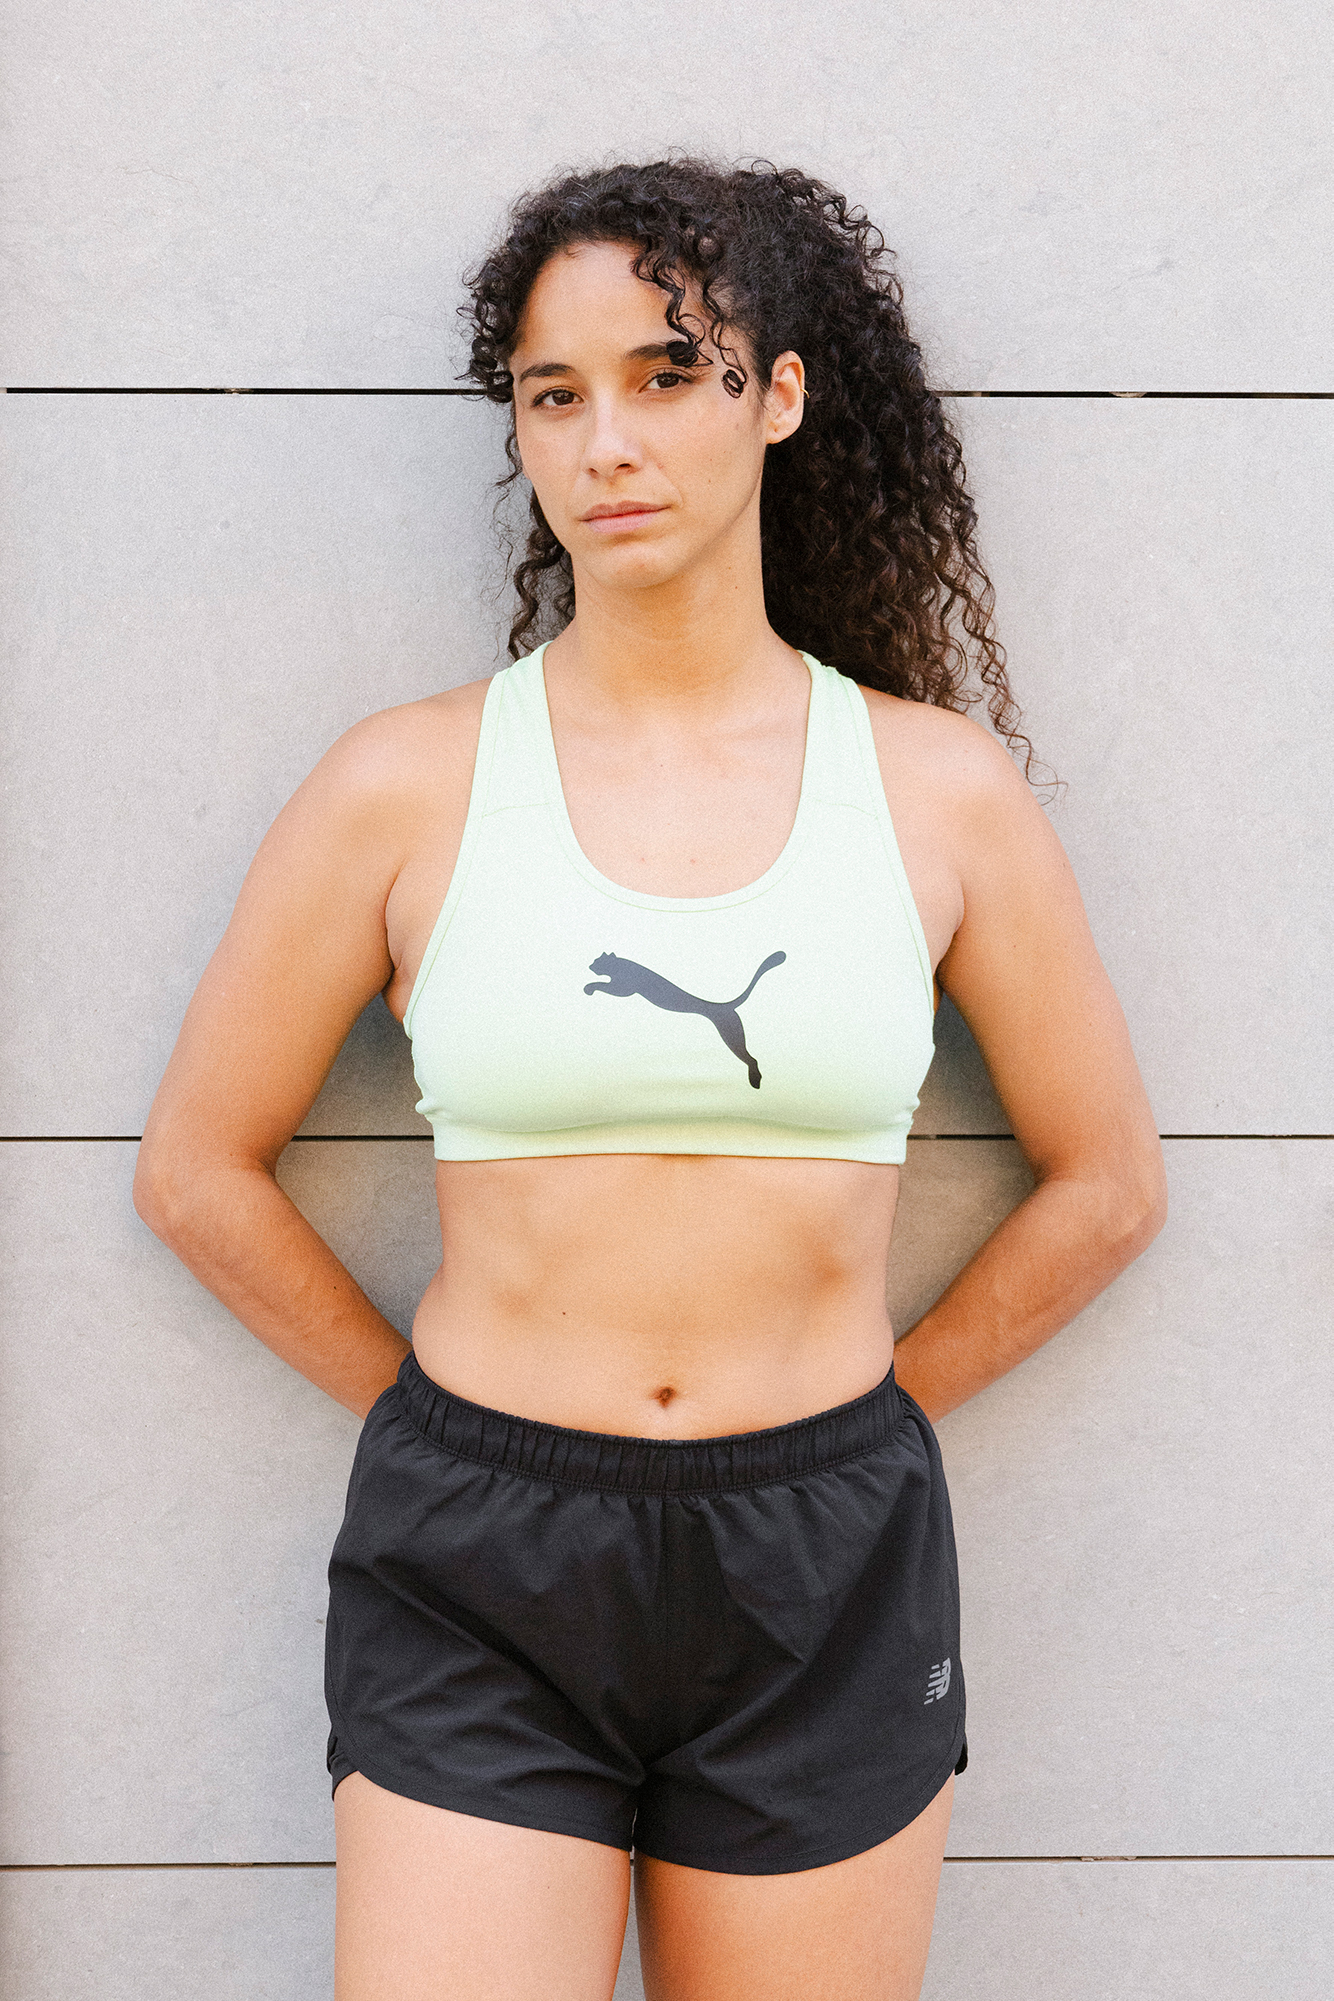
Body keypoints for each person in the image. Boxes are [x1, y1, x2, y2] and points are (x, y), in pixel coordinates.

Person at [133, 159, 1167, 2001]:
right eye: (554, 393)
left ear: (776, 396)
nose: (606, 437)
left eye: (667, 371)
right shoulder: (404, 784)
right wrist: (445, 1433)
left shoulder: (935, 791)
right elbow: (197, 1168)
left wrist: (867, 1419)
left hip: (825, 1551)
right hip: (479, 1562)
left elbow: (1107, 1184)